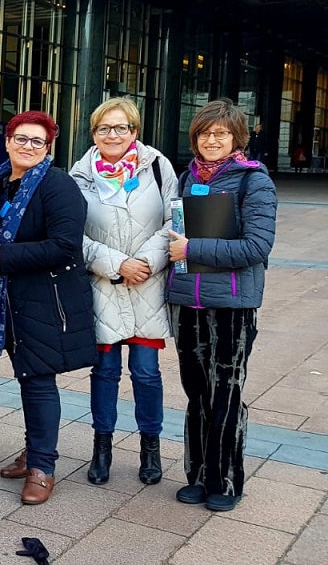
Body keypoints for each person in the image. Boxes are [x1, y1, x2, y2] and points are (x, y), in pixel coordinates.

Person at [0, 110, 98, 506]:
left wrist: (2, 254)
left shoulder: (58, 185)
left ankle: (43, 467)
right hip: (8, 301)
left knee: (39, 380)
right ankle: (33, 452)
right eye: (20, 139)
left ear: (48, 148)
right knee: (27, 377)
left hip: (46, 298)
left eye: (36, 141)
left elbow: (65, 246)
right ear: (7, 141)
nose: (27, 146)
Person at [166, 98, 276, 512]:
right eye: (205, 133)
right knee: (197, 394)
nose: (212, 140)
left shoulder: (254, 182)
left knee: (226, 393)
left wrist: (192, 247)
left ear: (236, 138)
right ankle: (196, 474)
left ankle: (225, 479)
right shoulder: (185, 178)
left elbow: (256, 246)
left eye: (221, 133)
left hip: (232, 304)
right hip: (187, 301)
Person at [68, 97, 176, 487]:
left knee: (146, 373)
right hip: (103, 287)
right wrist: (116, 263)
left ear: (134, 131)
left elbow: (173, 220)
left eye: (121, 128)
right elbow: (71, 235)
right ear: (94, 133)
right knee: (105, 371)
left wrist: (144, 262)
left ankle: (151, 447)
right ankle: (102, 448)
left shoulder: (159, 168)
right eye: (103, 128)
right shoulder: (79, 176)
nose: (112, 135)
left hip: (148, 283)